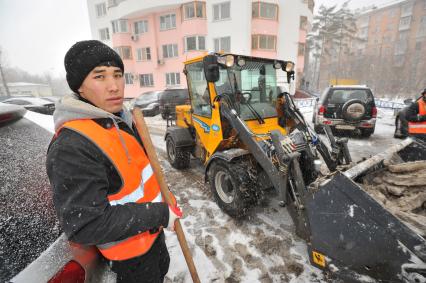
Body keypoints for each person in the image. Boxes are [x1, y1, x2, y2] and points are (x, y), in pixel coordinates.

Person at [46, 40, 182, 283]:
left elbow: (139, 175)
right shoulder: (72, 146)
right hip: (128, 265)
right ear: (80, 87)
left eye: (117, 75)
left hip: (152, 245)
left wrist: (164, 197)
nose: (114, 86)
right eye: (99, 77)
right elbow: (86, 224)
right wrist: (159, 214)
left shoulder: (119, 120)